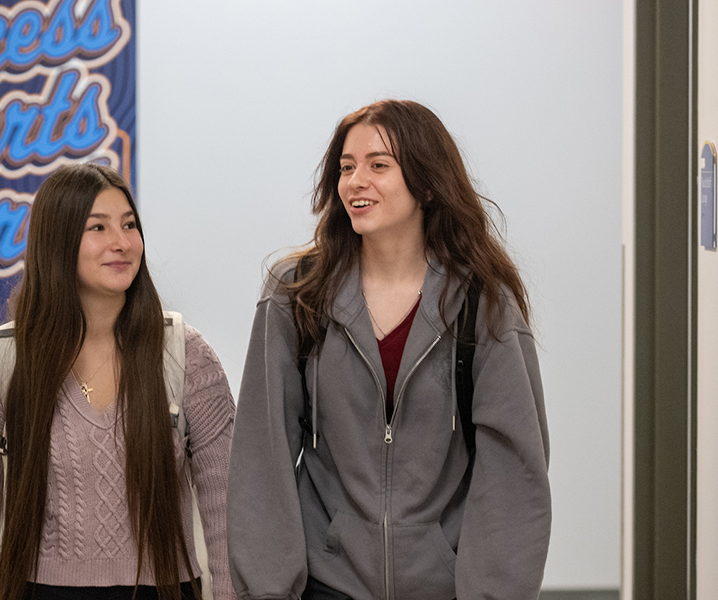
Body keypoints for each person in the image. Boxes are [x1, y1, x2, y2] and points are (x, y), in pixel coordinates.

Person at [226, 100, 551, 600]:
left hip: (443, 585)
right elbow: (260, 456)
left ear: (425, 182)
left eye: (379, 165)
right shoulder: (296, 294)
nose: (356, 181)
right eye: (346, 167)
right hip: (327, 582)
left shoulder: (482, 303)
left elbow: (512, 473)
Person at [0, 163, 237, 600]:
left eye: (129, 225)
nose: (121, 243)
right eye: (97, 227)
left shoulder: (184, 353)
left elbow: (228, 509)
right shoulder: (5, 360)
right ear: (57, 243)